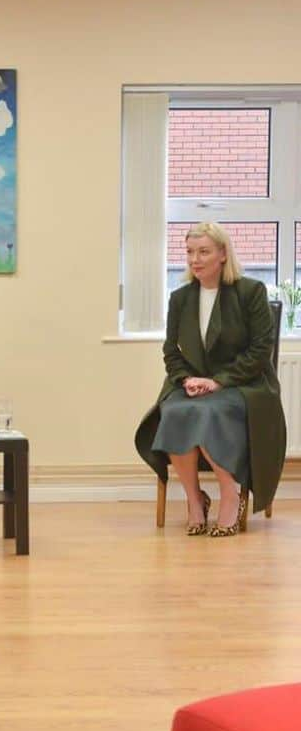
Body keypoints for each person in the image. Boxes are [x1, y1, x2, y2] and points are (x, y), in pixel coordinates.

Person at [135, 222, 286, 536]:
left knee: (206, 411)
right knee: (175, 410)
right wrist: (187, 379)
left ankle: (229, 492)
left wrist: (218, 382)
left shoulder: (250, 291)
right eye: (190, 252)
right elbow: (170, 350)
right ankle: (195, 500)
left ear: (222, 254)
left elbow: (260, 350)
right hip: (193, 384)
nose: (195, 259)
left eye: (203, 251)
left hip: (245, 384)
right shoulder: (180, 298)